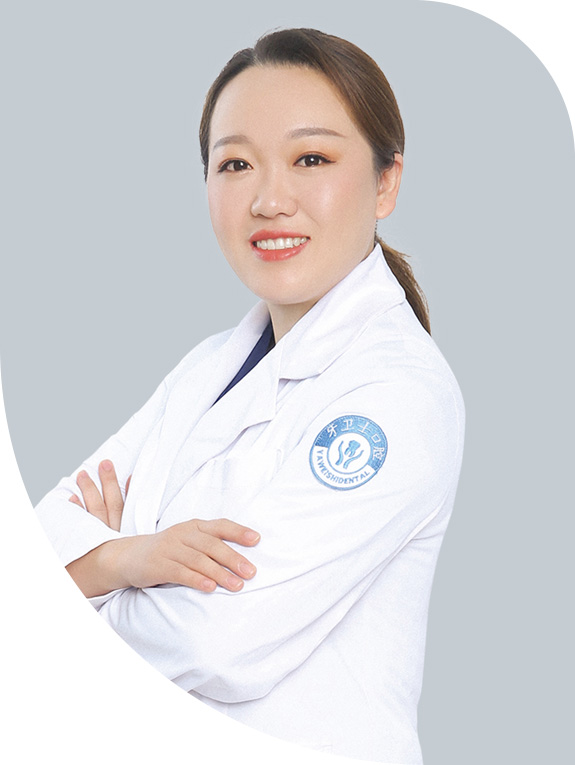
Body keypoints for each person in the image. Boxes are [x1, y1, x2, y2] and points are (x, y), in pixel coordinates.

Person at [35, 28, 465, 764]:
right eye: (235, 164)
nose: (268, 200)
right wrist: (126, 560)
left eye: (310, 159)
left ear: (386, 182)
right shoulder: (208, 367)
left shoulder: (398, 394)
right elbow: (35, 543)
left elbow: (217, 641)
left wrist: (85, 582)